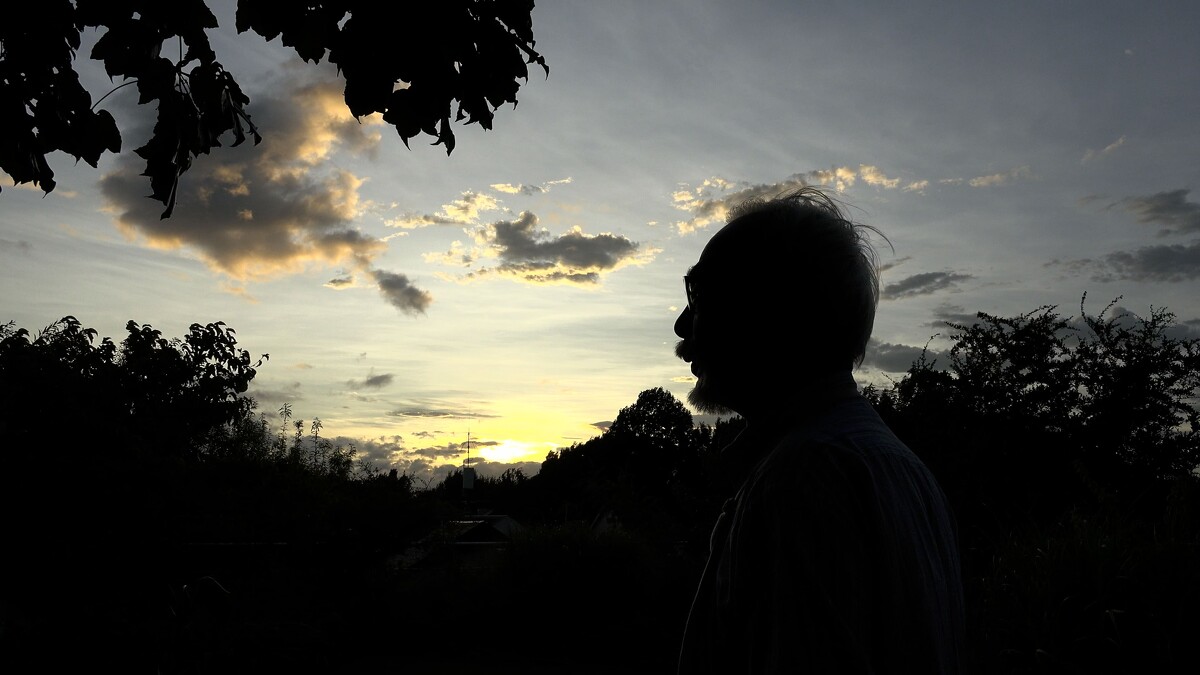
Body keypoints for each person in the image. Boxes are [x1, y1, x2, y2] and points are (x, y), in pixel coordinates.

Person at [674, 187, 965, 674]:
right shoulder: (906, 472)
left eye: (701, 297)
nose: (684, 325)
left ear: (768, 309)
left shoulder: (803, 480)